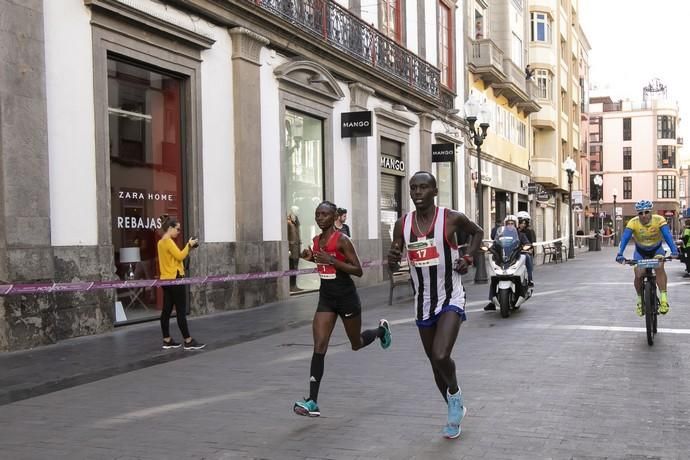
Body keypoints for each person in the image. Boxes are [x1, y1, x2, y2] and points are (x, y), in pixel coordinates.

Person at [388, 171, 484, 440]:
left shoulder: (451, 218)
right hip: (423, 302)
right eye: (413, 188)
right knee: (434, 364)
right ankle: (455, 407)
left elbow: (477, 232)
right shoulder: (402, 225)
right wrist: (392, 259)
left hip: (451, 295)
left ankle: (454, 395)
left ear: (434, 191)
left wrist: (467, 257)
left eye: (423, 188)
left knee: (441, 355)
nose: (417, 192)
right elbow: (394, 260)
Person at [293, 201, 391, 417]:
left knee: (356, 343)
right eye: (317, 214)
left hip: (347, 299)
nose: (320, 218)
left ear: (334, 216)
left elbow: (358, 270)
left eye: (325, 214)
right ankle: (312, 401)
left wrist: (332, 261)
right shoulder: (317, 241)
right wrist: (310, 257)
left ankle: (381, 331)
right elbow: (320, 262)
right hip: (326, 299)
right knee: (319, 345)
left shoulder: (343, 240)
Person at [615, 200, 679, 316]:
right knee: (638, 273)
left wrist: (674, 250)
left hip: (656, 250)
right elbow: (624, 239)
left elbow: (667, 236)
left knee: (659, 267)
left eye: (646, 212)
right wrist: (620, 253)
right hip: (641, 252)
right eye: (640, 213)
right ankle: (640, 300)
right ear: (637, 214)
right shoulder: (633, 222)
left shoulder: (659, 220)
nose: (643, 215)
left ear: (651, 212)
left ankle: (664, 299)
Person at [157, 216, 205, 350]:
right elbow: (180, 256)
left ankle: (167, 339)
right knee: (181, 311)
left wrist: (188, 248)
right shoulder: (168, 241)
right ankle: (188, 340)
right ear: (170, 228)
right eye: (177, 229)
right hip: (175, 279)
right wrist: (189, 245)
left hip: (166, 280)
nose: (179, 231)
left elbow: (176, 257)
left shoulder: (161, 242)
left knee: (166, 311)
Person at [484, 215, 532, 311]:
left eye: (512, 223)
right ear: (505, 225)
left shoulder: (520, 235)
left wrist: (526, 247)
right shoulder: (500, 235)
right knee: (495, 277)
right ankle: (492, 300)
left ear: (515, 225)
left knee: (527, 257)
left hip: (515, 257)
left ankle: (529, 280)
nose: (510, 225)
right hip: (503, 259)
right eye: (508, 223)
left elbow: (527, 243)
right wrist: (491, 249)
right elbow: (495, 244)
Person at [517, 211, 535, 287]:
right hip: (515, 251)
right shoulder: (514, 231)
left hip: (525, 251)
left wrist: (529, 249)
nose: (523, 224)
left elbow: (531, 243)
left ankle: (530, 278)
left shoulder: (529, 231)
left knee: (528, 257)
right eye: (521, 222)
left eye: (525, 223)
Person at [287, 208, 302, 292]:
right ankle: (291, 286)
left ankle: (294, 285)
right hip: (292, 250)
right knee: (291, 268)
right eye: (297, 210)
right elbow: (287, 236)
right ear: (292, 211)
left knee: (295, 268)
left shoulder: (296, 223)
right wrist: (288, 249)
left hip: (297, 249)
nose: (298, 212)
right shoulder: (288, 223)